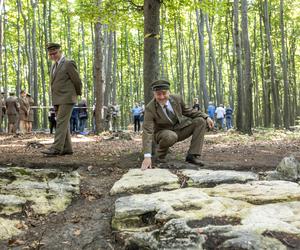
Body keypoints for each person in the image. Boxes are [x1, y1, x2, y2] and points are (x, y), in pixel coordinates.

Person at [141, 80, 214, 170]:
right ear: (154, 94)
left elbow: (188, 112)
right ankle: (160, 156)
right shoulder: (150, 108)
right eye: (158, 94)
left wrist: (206, 117)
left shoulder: (177, 99)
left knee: (200, 121)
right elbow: (147, 131)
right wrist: (147, 156)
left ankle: (192, 155)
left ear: (169, 92)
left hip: (179, 129)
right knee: (170, 136)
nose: (162, 97)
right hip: (162, 134)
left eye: (164, 93)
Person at [42, 42, 82, 156]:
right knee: (63, 124)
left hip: (67, 98)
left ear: (60, 51)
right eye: (50, 54)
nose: (53, 56)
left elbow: (77, 80)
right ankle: (67, 148)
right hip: (58, 99)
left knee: (60, 122)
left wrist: (76, 94)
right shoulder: (54, 65)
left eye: (55, 53)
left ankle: (56, 148)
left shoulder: (68, 63)